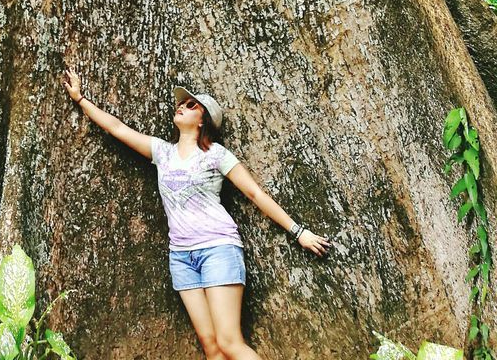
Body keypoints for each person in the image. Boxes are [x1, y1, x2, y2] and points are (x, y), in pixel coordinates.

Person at [60, 67, 330, 360]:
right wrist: (80, 99)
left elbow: (255, 194)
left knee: (230, 344)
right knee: (212, 348)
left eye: (191, 105)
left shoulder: (217, 155)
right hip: (181, 257)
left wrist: (299, 232)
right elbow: (117, 129)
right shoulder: (162, 152)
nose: (182, 106)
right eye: (181, 103)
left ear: (203, 121)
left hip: (218, 249)